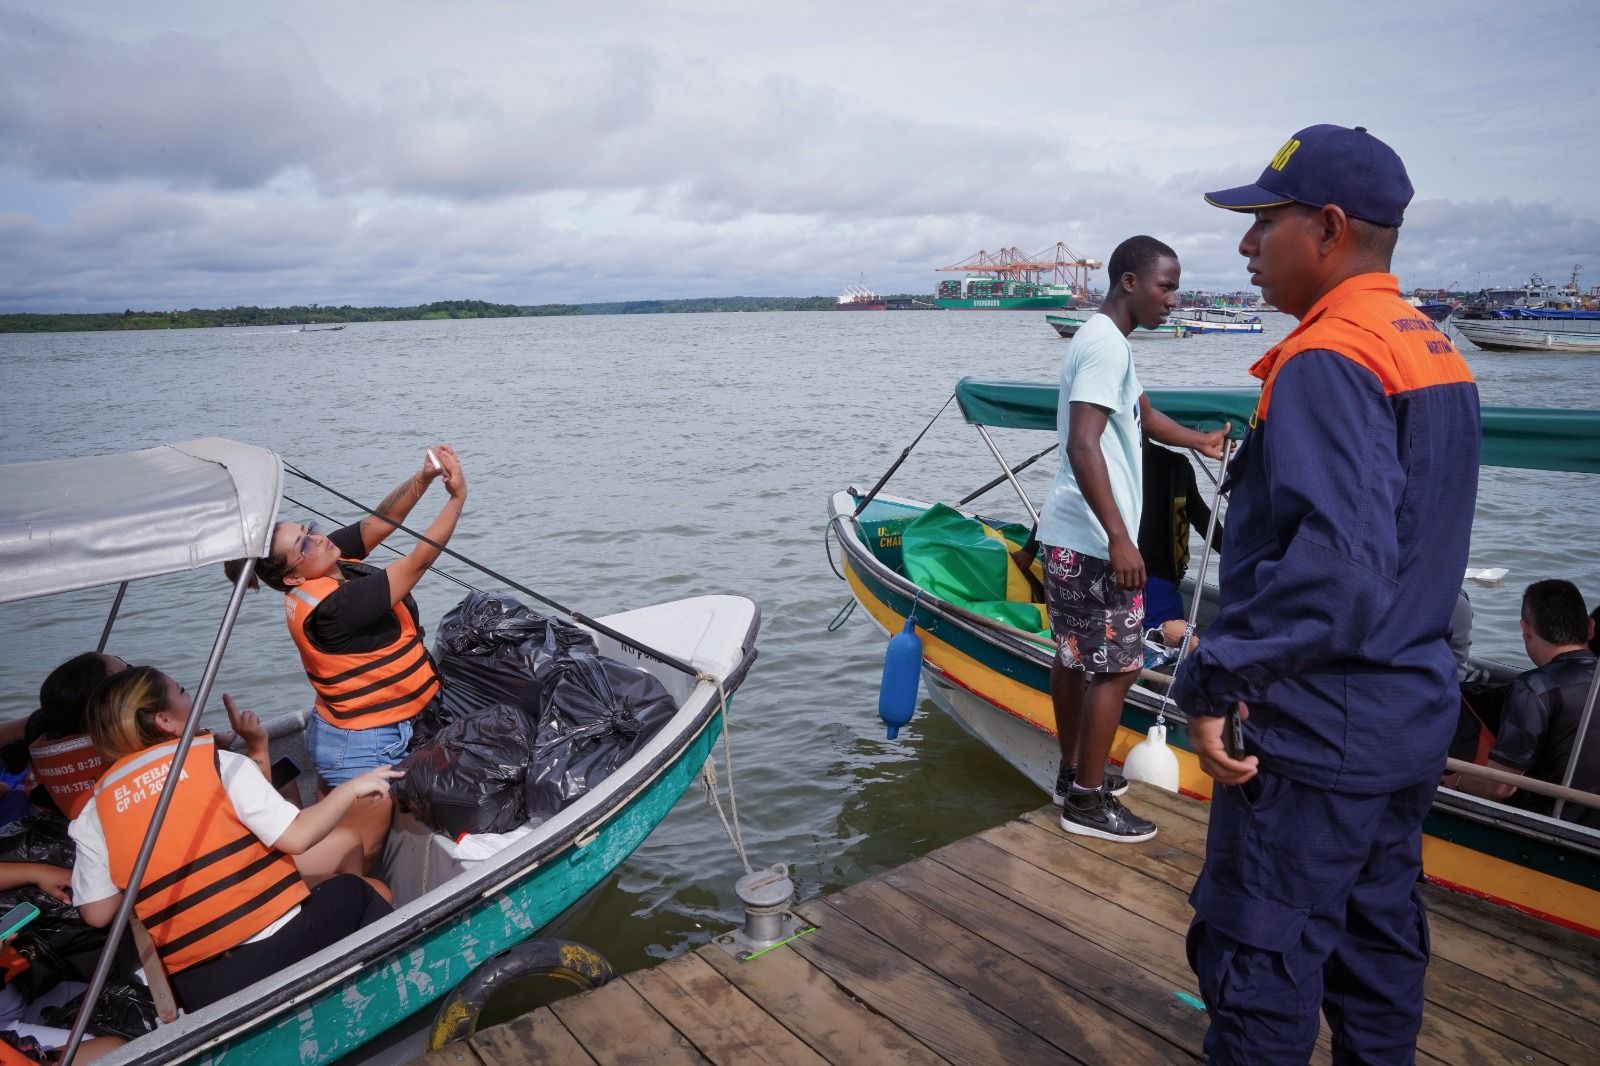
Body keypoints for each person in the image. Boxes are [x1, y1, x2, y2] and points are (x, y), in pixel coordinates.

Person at [1174, 125, 1480, 1063]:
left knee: (1259, 960)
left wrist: (1213, 677)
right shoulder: (1435, 348)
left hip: (1316, 733)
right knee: (1378, 946)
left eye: (1263, 223)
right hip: (1409, 715)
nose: (1244, 247)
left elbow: (1339, 576)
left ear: (1331, 228)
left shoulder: (1326, 359)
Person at [1037, 234, 1229, 842]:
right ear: (1129, 282)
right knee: (1118, 668)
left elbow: (1142, 416)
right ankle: (1089, 804)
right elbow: (1083, 441)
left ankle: (1074, 775)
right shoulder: (1104, 347)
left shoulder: (1105, 342)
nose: (1174, 299)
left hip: (1068, 532)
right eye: (1166, 286)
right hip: (1096, 540)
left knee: (1073, 658)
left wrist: (1198, 441)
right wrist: (1122, 539)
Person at [69, 666, 397, 1011]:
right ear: (164, 720)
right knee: (354, 890)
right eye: (181, 690)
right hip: (280, 947)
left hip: (202, 987)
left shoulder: (93, 812)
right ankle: (390, 996)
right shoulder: (218, 763)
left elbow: (97, 912)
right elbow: (298, 837)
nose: (190, 697)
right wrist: (349, 790)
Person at [230, 445, 466, 790]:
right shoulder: (333, 609)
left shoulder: (323, 563)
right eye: (304, 544)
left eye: (309, 528)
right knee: (364, 844)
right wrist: (457, 499)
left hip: (339, 733)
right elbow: (417, 562)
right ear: (292, 578)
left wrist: (423, 478)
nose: (318, 539)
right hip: (363, 747)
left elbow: (380, 522)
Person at [1446, 580, 1598, 827]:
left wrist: (1455, 782)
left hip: (1547, 828)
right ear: (1590, 628)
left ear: (1526, 629)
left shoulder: (1534, 689)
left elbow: (1498, 787)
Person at [1138, 441, 1222, 630]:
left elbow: (1202, 517)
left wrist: (1236, 555)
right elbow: (1201, 516)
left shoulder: (1176, 465)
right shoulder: (1175, 464)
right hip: (1125, 577)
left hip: (1157, 579)